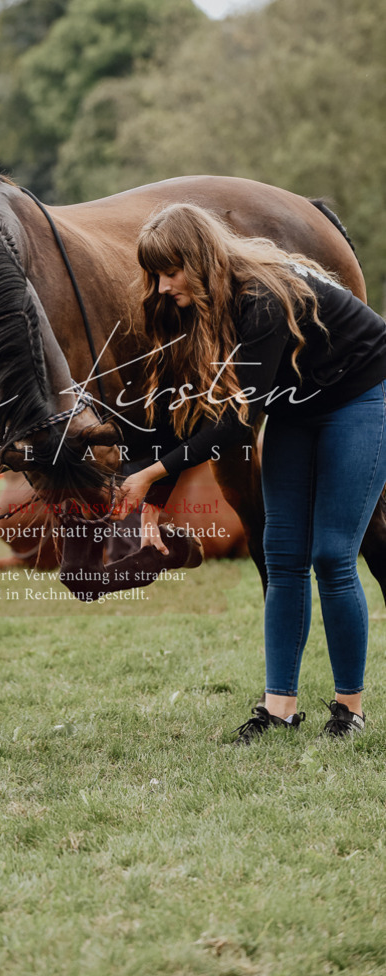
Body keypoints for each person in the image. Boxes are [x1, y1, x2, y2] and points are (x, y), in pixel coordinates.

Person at [117, 203, 386, 743]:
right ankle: (279, 707)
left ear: (200, 258)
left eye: (171, 271)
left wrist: (148, 475)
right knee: (282, 554)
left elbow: (237, 423)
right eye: (156, 274)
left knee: (332, 554)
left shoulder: (261, 296)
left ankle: (349, 708)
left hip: (360, 395)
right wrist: (155, 493)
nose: (164, 286)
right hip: (297, 407)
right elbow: (181, 407)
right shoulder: (195, 306)